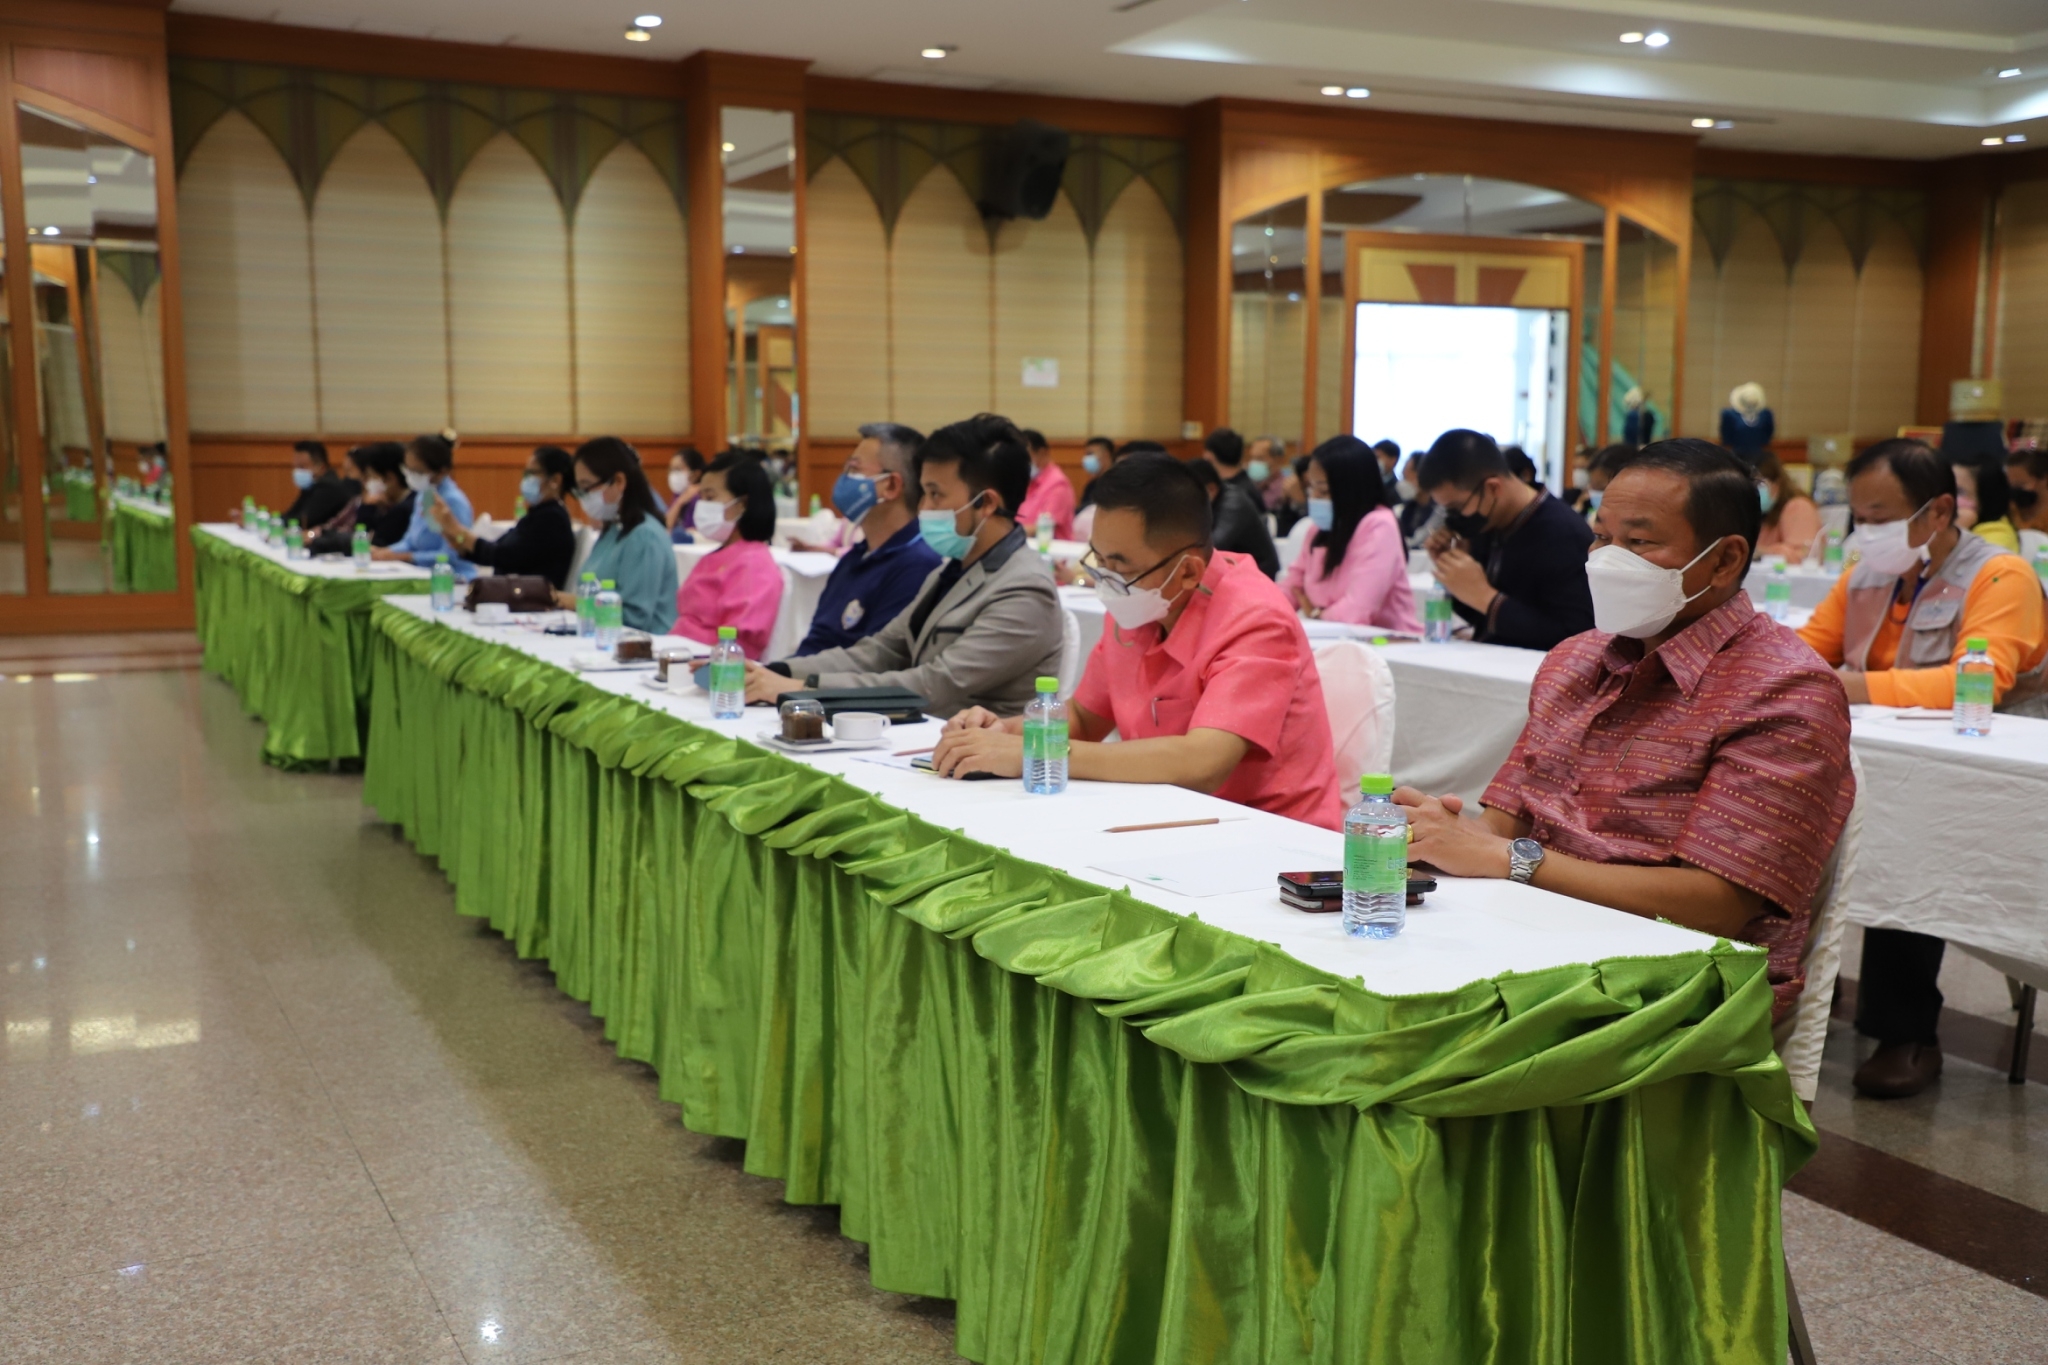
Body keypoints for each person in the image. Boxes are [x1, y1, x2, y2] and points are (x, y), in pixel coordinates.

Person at [1396, 438, 1854, 1025]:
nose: (1608, 559)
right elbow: (1501, 827)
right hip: (1536, 939)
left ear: (1723, 560)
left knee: (1385, 1046)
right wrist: (1440, 840)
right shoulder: (1575, 661)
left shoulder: (1784, 690)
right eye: (1602, 537)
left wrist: (1508, 860)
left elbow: (1714, 906)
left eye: (1638, 542)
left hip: (1678, 988)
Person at [1794, 437, 2047, 1097]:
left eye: (1879, 516)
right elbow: (1802, 653)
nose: (1864, 532)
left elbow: (1979, 683)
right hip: (1876, 744)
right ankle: (1793, 990)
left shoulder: (1999, 574)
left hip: (1980, 774)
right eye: (1858, 515)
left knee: (1907, 829)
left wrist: (1847, 684)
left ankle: (1905, 1029)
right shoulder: (1868, 573)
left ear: (1938, 511)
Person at [933, 454, 1343, 827]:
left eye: (1120, 566)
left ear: (1186, 572)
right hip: (1164, 817)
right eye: (1100, 560)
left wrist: (1043, 753)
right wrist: (1006, 734)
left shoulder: (1256, 619)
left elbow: (1204, 762)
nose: (1107, 580)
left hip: (1270, 837)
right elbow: (1085, 720)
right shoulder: (1144, 600)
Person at [745, 413, 1062, 718]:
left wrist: (802, 688)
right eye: (924, 492)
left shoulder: (1025, 589)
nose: (923, 507)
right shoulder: (950, 570)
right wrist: (775, 671)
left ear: (987, 503)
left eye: (935, 494)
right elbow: (880, 651)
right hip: (920, 741)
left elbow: (933, 684)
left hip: (979, 756)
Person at [1417, 428, 1594, 650]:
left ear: (1493, 487)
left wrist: (1486, 598)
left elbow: (1576, 636)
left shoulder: (1564, 534)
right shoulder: (1489, 523)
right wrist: (1453, 574)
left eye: (1457, 508)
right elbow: (1485, 620)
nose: (1454, 520)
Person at [795, 423, 940, 655]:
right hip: (805, 683)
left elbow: (875, 664)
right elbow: (817, 642)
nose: (843, 479)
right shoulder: (855, 557)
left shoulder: (919, 565)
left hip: (837, 688)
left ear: (890, 485)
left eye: (854, 470)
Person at [1279, 436, 1420, 632]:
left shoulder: (1379, 525)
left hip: (1387, 642)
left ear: (1350, 489)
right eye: (1311, 488)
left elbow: (1358, 609)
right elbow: (1292, 586)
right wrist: (1268, 608)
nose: (1314, 498)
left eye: (1324, 491)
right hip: (1330, 635)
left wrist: (1316, 614)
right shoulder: (1318, 529)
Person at [560, 436, 678, 633]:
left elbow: (636, 617)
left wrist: (573, 603)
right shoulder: (613, 530)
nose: (583, 497)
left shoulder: (644, 536)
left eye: (586, 486)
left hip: (643, 647)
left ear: (619, 481)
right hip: (604, 637)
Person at [674, 451, 781, 655]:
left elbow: (739, 647)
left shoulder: (753, 564)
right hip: (680, 654)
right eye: (701, 497)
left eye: (710, 497)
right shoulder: (717, 555)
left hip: (709, 670)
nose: (702, 505)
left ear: (742, 504)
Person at [431, 445, 577, 589]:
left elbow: (502, 556)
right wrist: (452, 535)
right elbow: (492, 552)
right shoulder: (537, 514)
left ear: (556, 480)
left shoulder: (552, 518)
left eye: (532, 473)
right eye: (525, 474)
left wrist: (457, 529)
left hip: (529, 600)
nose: (526, 480)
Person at [371, 433, 473, 568]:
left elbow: (453, 554)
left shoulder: (454, 502)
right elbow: (410, 541)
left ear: (441, 472)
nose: (411, 476)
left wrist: (404, 557)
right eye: (407, 469)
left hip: (453, 577)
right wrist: (384, 552)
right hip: (422, 573)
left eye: (418, 472)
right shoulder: (425, 494)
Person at [1193, 431, 1280, 578]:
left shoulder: (1235, 501)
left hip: (1257, 577)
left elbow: (1213, 547)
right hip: (1233, 569)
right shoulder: (1229, 489)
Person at [307, 442, 410, 555]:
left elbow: (372, 542)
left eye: (371, 476)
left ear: (390, 478)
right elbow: (359, 532)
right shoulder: (381, 504)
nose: (366, 482)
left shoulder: (404, 508)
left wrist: (368, 507)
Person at [1753, 450, 1823, 562]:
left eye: (1758, 484)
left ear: (1777, 484)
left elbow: (1801, 555)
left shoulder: (1799, 507)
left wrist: (1760, 552)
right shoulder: (1754, 514)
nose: (1753, 492)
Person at [1015, 427, 1076, 540]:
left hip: (1053, 551)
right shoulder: (1028, 482)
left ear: (1042, 453)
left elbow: (1044, 527)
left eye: (1025, 456)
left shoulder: (1058, 484)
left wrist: (1010, 535)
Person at [284, 440, 356, 533]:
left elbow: (304, 521)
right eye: (296, 467)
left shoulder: (329, 489)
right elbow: (291, 514)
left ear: (321, 467)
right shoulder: (311, 486)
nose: (298, 472)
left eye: (302, 467)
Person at [1952, 452, 2019, 553]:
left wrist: (1954, 532)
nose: (1948, 496)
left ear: (1987, 497)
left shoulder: (1997, 538)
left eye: (1959, 492)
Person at [1719, 382, 1774, 467]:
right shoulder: (1729, 414)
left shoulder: (1766, 414)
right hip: (1736, 456)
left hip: (1759, 457)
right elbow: (1726, 436)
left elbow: (1768, 434)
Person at [664, 446, 706, 544]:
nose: (673, 474)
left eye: (678, 469)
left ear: (696, 474)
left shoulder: (701, 496)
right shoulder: (679, 495)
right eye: (671, 470)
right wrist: (679, 503)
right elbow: (666, 525)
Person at [2007, 443, 2048, 536]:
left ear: (2045, 480)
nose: (2014, 490)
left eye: (2020, 484)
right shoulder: (2009, 512)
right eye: (2010, 485)